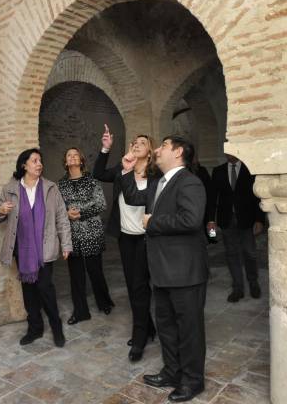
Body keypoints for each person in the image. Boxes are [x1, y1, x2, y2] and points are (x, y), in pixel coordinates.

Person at [120, 135, 208, 402]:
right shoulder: (159, 182)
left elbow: (191, 219)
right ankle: (172, 371)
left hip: (184, 272)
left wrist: (153, 222)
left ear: (178, 152)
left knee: (189, 329)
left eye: (163, 146)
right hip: (161, 270)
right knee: (167, 326)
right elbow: (134, 196)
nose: (157, 150)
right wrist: (127, 169)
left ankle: (193, 381)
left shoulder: (190, 182)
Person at [0, 148, 72, 347]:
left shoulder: (50, 188)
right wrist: (0, 210)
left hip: (45, 247)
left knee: (45, 288)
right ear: (24, 165)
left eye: (40, 160)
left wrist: (66, 243)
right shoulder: (10, 189)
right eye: (35, 160)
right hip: (22, 249)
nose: (39, 164)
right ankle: (34, 329)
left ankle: (56, 328)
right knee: (28, 291)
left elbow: (61, 217)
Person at [93, 125, 157, 362]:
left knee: (142, 286)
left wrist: (128, 171)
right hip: (126, 238)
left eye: (143, 141)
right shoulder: (122, 170)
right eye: (135, 141)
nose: (137, 143)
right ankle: (146, 329)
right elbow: (98, 173)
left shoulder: (156, 177)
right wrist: (105, 148)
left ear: (150, 152)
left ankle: (141, 334)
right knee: (134, 286)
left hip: (147, 239)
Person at [57, 147, 114, 325]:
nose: (72, 157)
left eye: (76, 155)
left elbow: (101, 204)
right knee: (76, 275)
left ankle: (104, 302)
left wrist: (79, 212)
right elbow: (59, 208)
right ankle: (81, 311)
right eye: (69, 155)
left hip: (92, 232)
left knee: (95, 272)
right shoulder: (61, 184)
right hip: (72, 234)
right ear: (66, 162)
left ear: (81, 161)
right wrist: (66, 213)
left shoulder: (92, 180)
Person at [206, 154, 264, 302]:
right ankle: (238, 288)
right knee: (232, 254)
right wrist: (211, 220)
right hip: (226, 220)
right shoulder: (218, 171)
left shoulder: (249, 169)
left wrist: (259, 220)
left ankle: (253, 283)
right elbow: (213, 197)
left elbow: (257, 196)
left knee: (250, 253)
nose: (227, 153)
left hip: (247, 219)